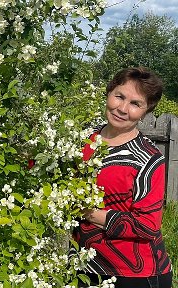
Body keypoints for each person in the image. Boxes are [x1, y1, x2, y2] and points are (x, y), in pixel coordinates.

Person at [73, 67, 172, 288]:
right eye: (119, 96)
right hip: (82, 265)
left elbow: (147, 225)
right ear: (109, 93)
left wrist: (86, 212)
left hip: (133, 274)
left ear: (146, 112)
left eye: (136, 104)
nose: (122, 109)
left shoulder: (148, 158)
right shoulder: (82, 138)